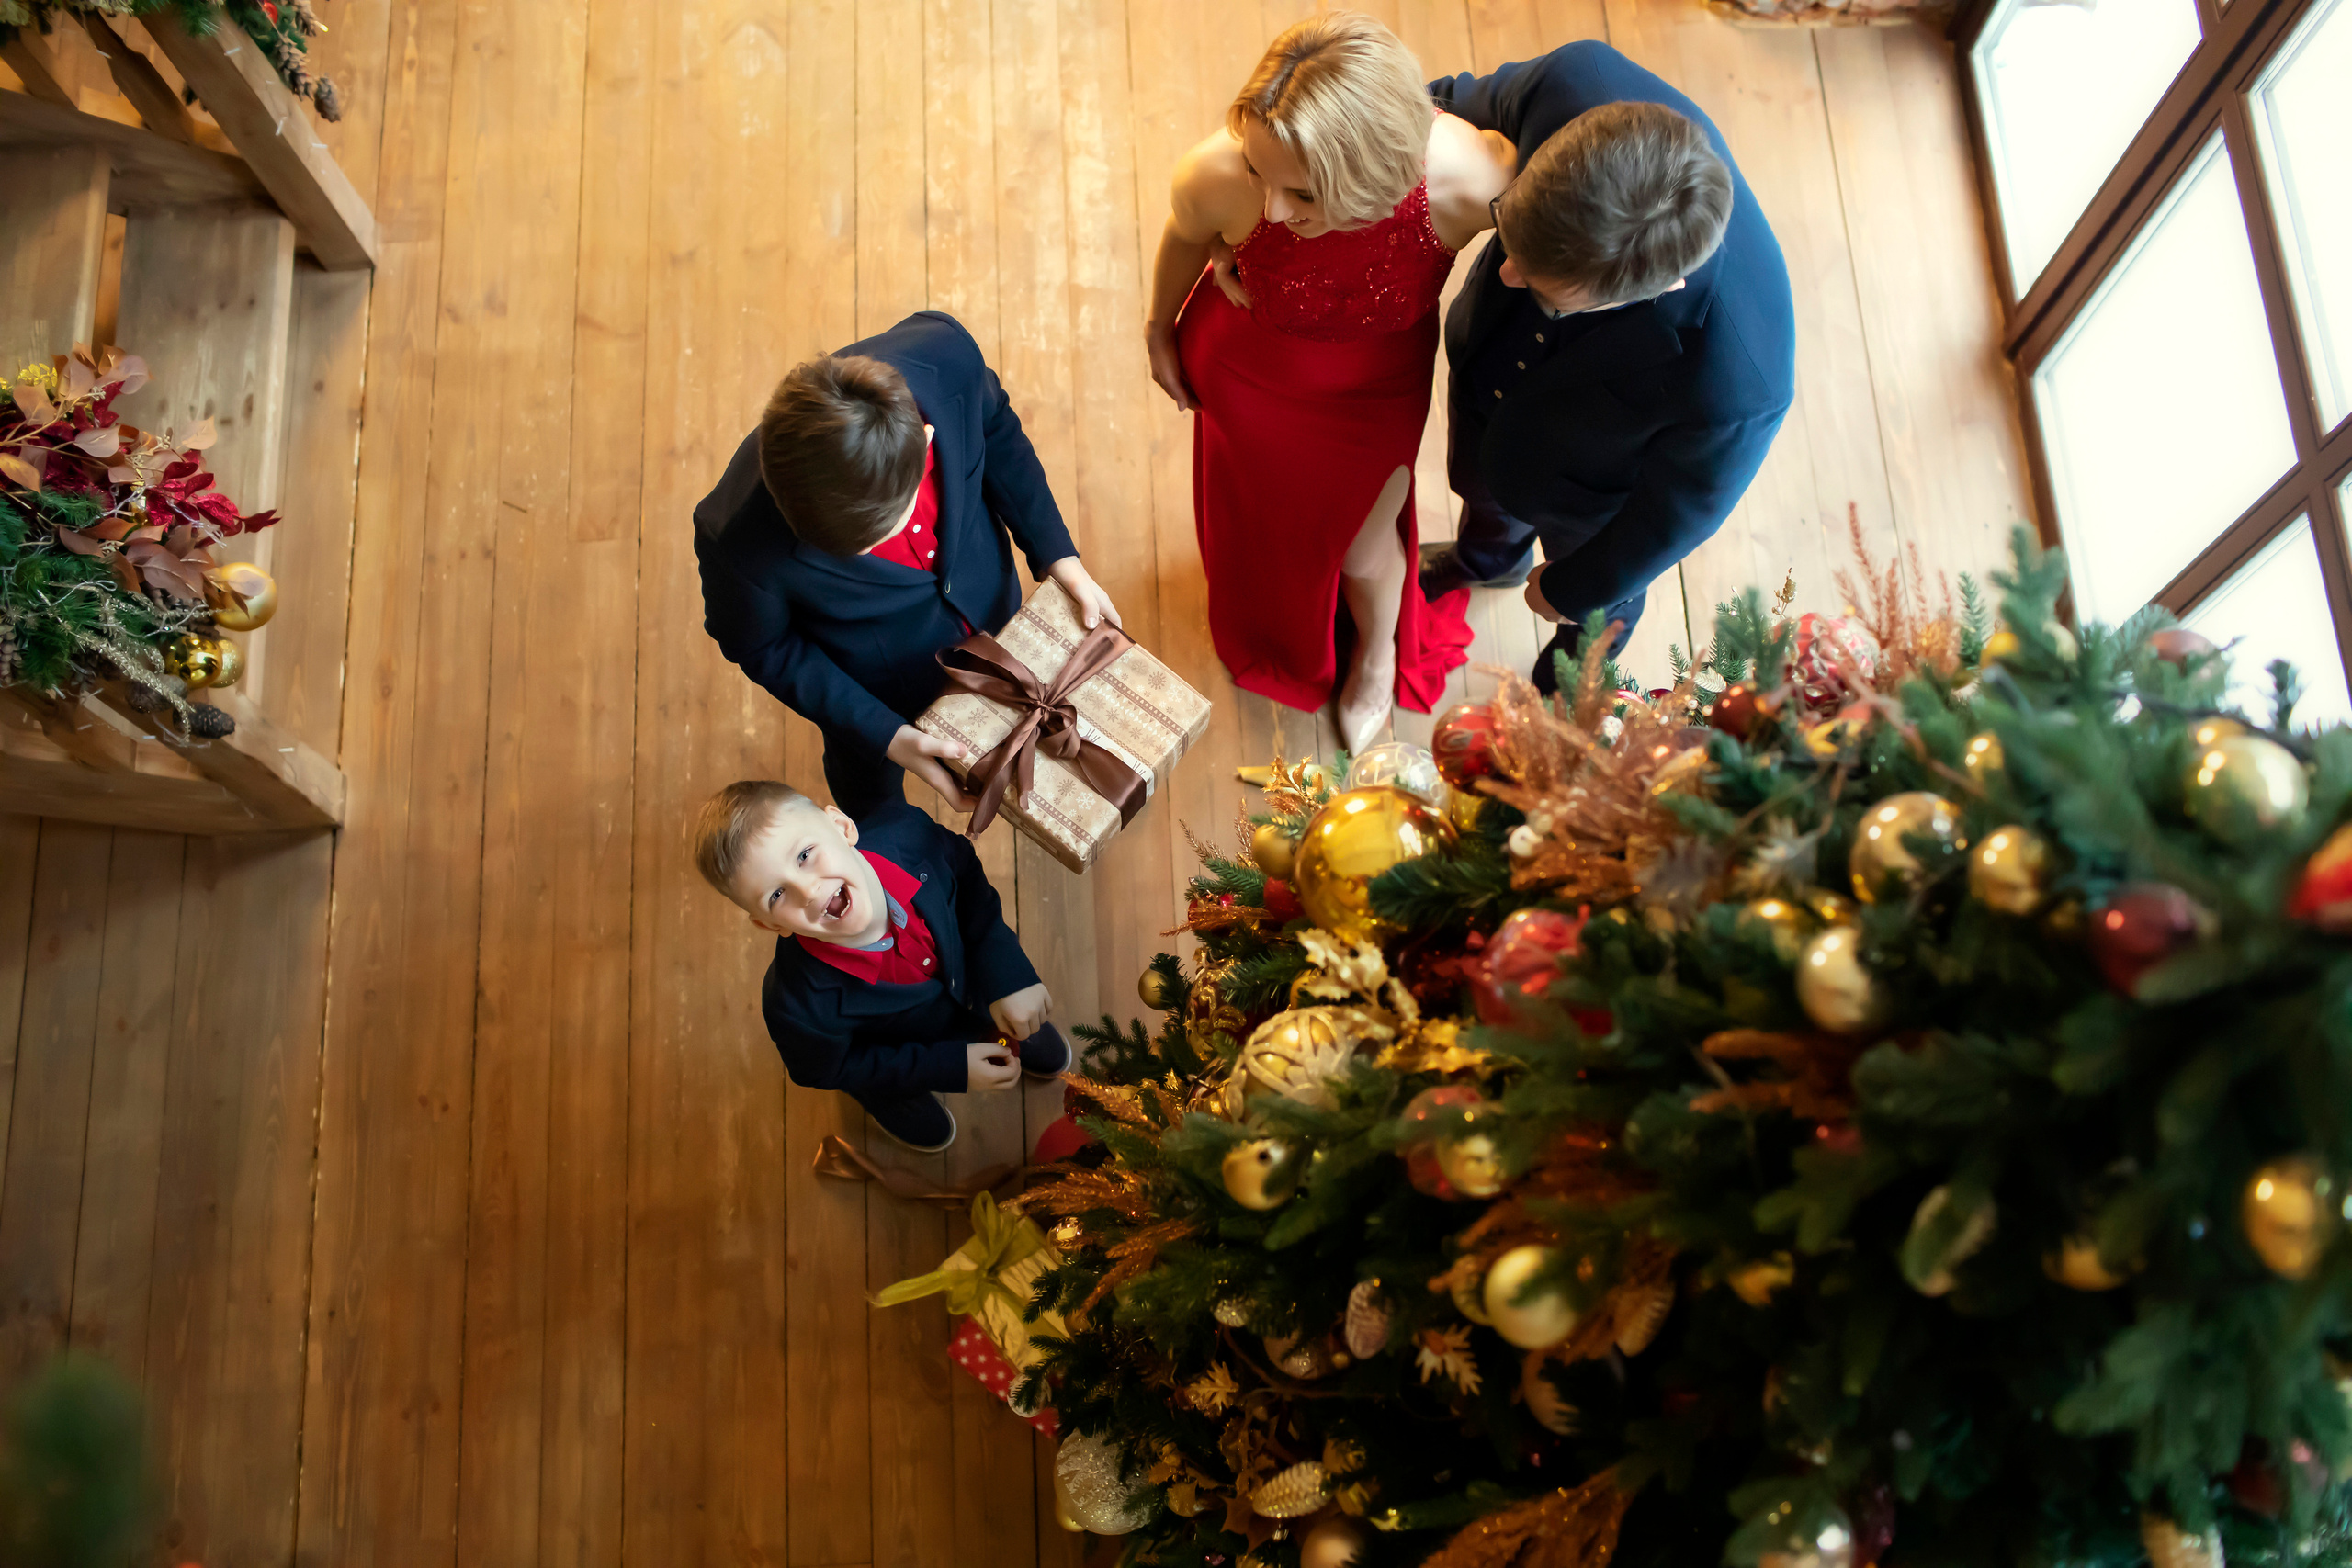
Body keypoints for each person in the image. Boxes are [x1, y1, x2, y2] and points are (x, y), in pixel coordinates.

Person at [1143, 12, 1512, 754]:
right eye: (1257, 173)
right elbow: (1187, 235)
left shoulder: (1468, 182)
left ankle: (1374, 655)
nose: (1272, 212)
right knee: (1258, 514)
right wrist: (1159, 326)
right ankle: (1272, 620)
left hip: (1372, 394)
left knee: (1365, 546)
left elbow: (1536, 242)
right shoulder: (1215, 171)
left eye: (1301, 194)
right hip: (1246, 371)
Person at [1417, 43, 1796, 690]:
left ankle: (1568, 679)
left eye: (1539, 283)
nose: (1504, 271)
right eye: (1512, 234)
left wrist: (1574, 590)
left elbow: (1670, 519)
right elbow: (1433, 106)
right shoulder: (1573, 84)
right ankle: (1487, 560)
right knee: (1479, 483)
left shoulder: (1741, 383)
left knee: (1595, 617)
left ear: (1651, 288)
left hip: (1593, 489)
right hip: (1492, 373)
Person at [694, 311, 1121, 818]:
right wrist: (886, 735)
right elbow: (760, 645)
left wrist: (1059, 556)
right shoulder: (734, 539)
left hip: (996, 610)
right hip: (876, 687)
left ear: (926, 437)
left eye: (890, 524)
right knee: (867, 792)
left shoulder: (948, 358)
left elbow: (998, 429)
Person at [692, 779, 1072, 1154]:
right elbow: (825, 1069)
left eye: (805, 855)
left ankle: (1005, 1009)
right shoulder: (796, 1006)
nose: (808, 891)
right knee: (884, 1081)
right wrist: (948, 1068)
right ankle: (890, 1099)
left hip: (975, 977)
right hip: (900, 1046)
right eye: (776, 895)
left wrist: (1008, 974)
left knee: (1018, 1012)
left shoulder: (909, 835)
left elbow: (967, 880)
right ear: (770, 924)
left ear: (842, 828)